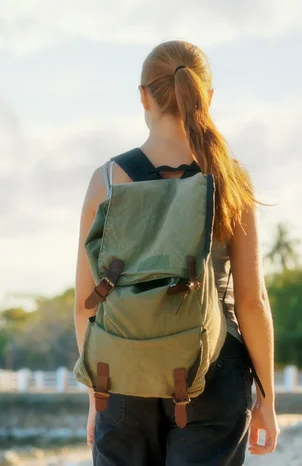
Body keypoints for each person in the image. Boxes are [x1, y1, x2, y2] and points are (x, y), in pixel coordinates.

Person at [74, 40, 279, 465]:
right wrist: (267, 398)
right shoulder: (228, 179)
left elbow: (85, 305)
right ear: (208, 97)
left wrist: (98, 393)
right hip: (213, 370)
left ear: (143, 95)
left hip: (123, 373)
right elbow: (251, 303)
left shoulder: (107, 181)